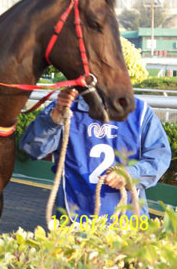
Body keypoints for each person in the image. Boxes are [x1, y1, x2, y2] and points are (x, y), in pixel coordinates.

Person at [19, 88, 171, 221]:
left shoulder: (141, 111)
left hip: (128, 221)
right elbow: (32, 149)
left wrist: (131, 174)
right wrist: (55, 116)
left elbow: (160, 156)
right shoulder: (64, 108)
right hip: (73, 219)